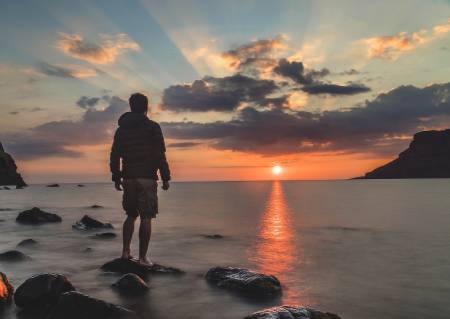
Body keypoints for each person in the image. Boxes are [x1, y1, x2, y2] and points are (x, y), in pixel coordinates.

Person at [110, 93, 170, 266]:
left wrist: (116, 175)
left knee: (130, 215)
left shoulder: (121, 130)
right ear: (146, 107)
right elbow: (160, 154)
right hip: (147, 178)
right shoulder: (152, 127)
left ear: (131, 106)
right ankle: (143, 258)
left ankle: (125, 252)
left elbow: (115, 154)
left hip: (128, 177)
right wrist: (165, 178)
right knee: (146, 216)